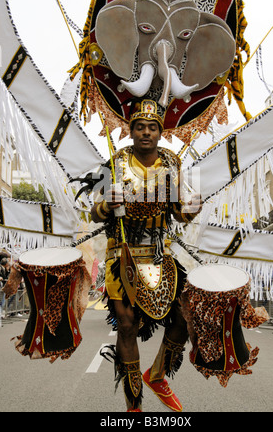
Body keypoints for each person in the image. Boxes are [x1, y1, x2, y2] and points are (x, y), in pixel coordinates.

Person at [91, 100, 202, 412]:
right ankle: (133, 405)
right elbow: (95, 212)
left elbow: (179, 212)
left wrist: (191, 210)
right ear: (131, 130)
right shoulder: (114, 162)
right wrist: (105, 205)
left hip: (157, 254)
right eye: (140, 126)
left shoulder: (173, 162)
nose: (145, 132)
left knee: (185, 315)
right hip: (121, 256)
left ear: (159, 132)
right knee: (126, 325)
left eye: (152, 127)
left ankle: (157, 375)